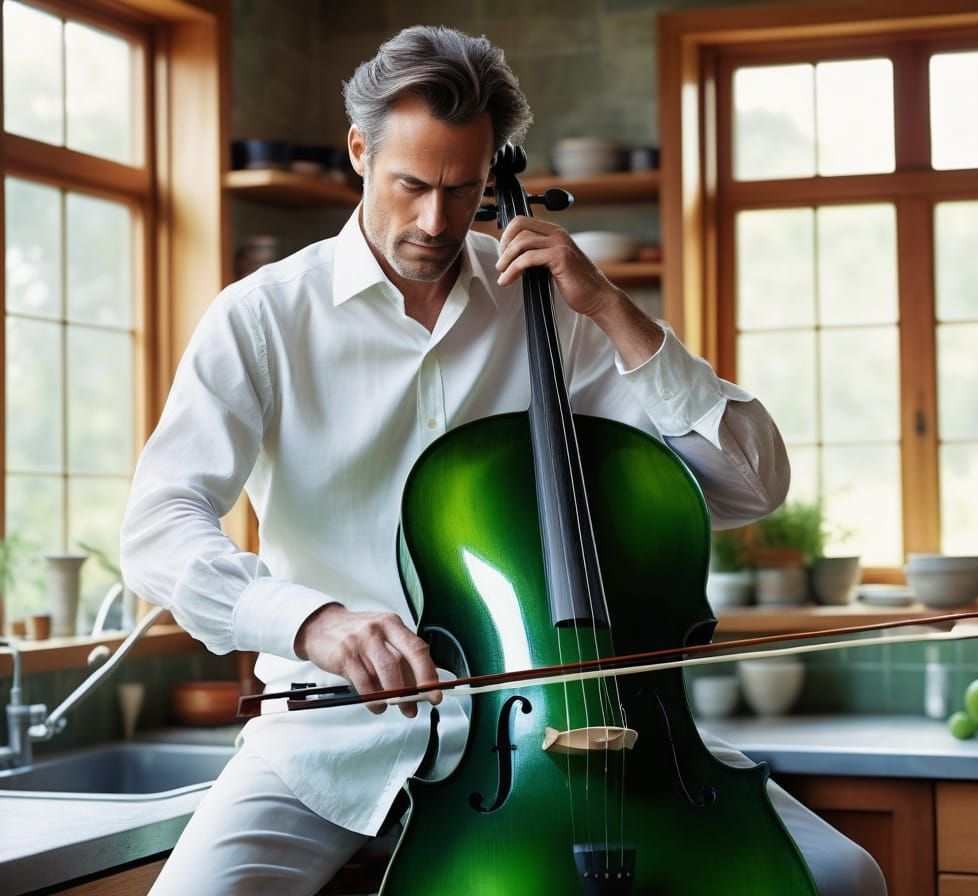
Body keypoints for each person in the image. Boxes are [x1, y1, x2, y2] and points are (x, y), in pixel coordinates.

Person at [121, 25, 886, 896]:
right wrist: (312, 622)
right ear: (360, 151)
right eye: (413, 185)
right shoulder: (261, 317)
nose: (436, 221)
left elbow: (750, 485)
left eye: (464, 189)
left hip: (565, 725)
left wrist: (612, 310)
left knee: (843, 879)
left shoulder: (550, 305)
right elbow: (158, 528)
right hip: (330, 738)